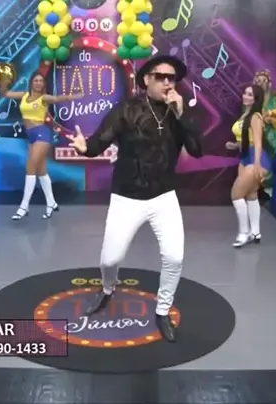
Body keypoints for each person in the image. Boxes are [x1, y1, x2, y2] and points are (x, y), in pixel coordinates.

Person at [66, 55, 203, 342]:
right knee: (110, 260)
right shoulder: (127, 110)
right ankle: (107, 289)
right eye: (161, 77)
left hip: (164, 197)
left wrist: (181, 114)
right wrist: (83, 147)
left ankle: (163, 310)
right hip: (126, 198)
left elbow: (197, 150)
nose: (167, 83)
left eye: (171, 78)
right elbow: (98, 142)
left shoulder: (178, 113)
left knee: (174, 257)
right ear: (147, 80)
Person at [0, 72, 83, 220]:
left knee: (30, 167)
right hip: (31, 136)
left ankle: (24, 206)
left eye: (41, 81)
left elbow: (59, 98)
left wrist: (76, 96)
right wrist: (3, 84)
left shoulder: (44, 98)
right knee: (41, 171)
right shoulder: (24, 95)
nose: (38, 83)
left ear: (44, 84)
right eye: (36, 80)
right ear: (31, 82)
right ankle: (51, 203)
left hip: (42, 134)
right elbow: (5, 94)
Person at [225, 85, 270, 248]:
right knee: (251, 194)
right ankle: (255, 232)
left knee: (236, 194)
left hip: (255, 158)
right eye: (245, 93)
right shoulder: (245, 114)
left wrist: (256, 164)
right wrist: (234, 145)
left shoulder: (256, 116)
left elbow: (257, 142)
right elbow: (245, 139)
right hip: (244, 157)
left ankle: (244, 233)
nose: (246, 96)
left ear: (256, 99)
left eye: (250, 95)